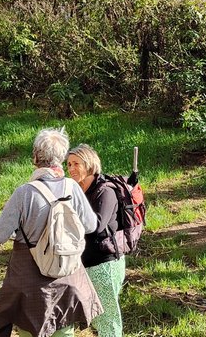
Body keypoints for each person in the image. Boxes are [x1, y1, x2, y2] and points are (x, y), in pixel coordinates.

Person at [0, 127, 102, 337]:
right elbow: (91, 226)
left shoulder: (24, 193)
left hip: (30, 285)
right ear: (62, 158)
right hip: (67, 278)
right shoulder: (72, 187)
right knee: (64, 331)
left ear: (36, 157)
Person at [67, 144, 125, 337]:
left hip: (104, 265)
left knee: (108, 319)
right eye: (69, 164)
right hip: (85, 264)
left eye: (76, 163)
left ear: (89, 164)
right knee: (98, 319)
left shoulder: (105, 191)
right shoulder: (77, 190)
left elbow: (97, 225)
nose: (72, 168)